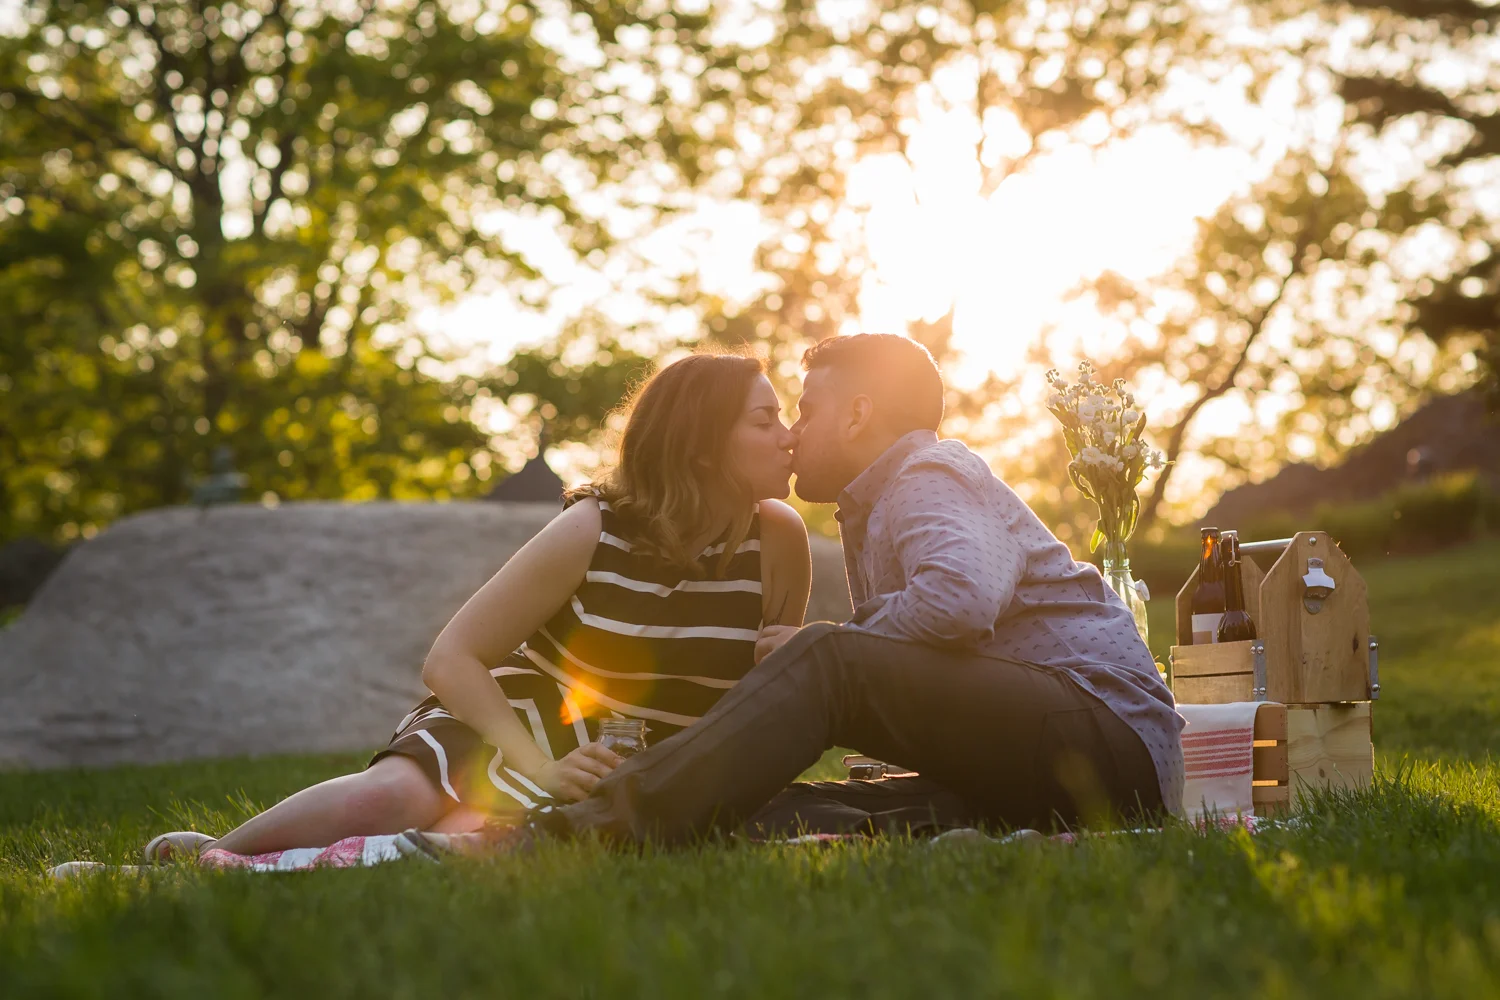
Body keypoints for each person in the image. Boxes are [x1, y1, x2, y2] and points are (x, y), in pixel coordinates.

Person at [420, 333, 1184, 856]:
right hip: (1078, 769)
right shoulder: (874, 505)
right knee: (778, 811)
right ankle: (635, 818)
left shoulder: (929, 474)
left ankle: (573, 837)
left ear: (858, 413)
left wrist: (834, 643)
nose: (793, 431)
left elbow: (958, 602)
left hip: (1104, 732)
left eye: (806, 410)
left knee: (830, 656)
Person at [136, 353, 812, 864]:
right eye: (766, 419)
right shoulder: (593, 529)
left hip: (645, 765)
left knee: (462, 850)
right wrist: (540, 767)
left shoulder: (780, 539)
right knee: (389, 801)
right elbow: (452, 659)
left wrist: (790, 669)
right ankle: (206, 860)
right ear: (698, 444)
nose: (788, 435)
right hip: (519, 725)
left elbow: (755, 707)